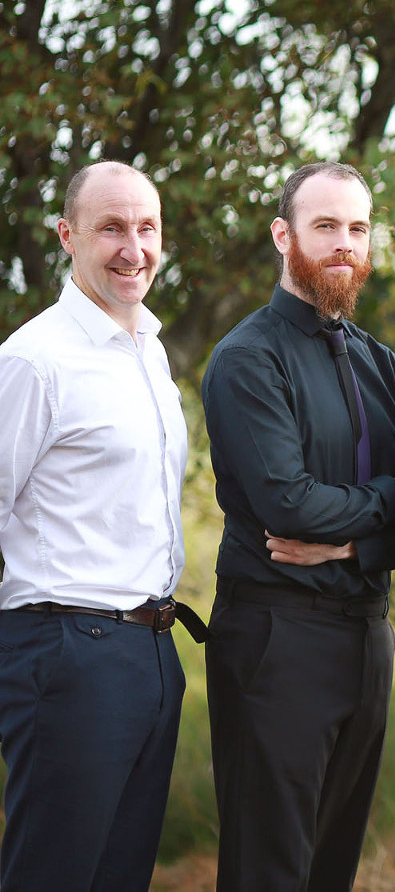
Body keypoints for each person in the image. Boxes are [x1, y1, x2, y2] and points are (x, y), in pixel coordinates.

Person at [202, 161, 395, 891]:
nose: (343, 243)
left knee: (332, 865)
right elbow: (289, 505)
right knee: (270, 868)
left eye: (357, 228)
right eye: (325, 225)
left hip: (366, 635)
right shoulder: (247, 357)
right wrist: (393, 493)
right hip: (277, 638)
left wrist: (360, 533)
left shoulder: (380, 363)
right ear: (283, 234)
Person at [0, 162, 196, 891]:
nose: (133, 247)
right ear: (67, 235)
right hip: (66, 649)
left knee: (120, 875)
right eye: (112, 227)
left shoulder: (148, 350)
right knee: (53, 874)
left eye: (147, 228)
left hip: (150, 651)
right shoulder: (34, 360)